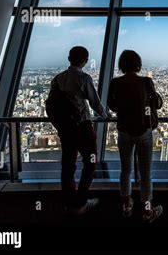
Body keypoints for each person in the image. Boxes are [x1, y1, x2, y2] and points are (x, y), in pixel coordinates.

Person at [48, 46, 107, 215]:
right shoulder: (84, 78)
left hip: (65, 129)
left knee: (68, 164)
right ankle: (80, 202)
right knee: (90, 162)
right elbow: (95, 103)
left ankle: (69, 201)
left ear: (69, 58)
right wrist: (105, 115)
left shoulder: (58, 79)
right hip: (82, 127)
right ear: (85, 61)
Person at [108, 50, 163, 223]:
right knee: (146, 174)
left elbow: (112, 106)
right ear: (138, 64)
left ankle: (126, 205)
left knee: (125, 170)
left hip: (124, 131)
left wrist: (126, 109)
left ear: (121, 65)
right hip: (143, 131)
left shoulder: (115, 82)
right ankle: (147, 212)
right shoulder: (146, 81)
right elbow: (158, 104)